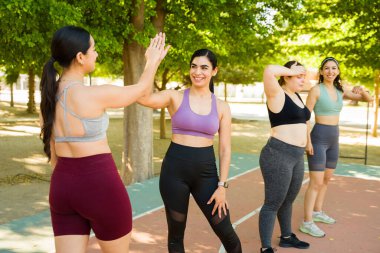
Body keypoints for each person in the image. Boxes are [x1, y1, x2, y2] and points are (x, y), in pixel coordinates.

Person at [39, 25, 169, 253]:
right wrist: (153, 60)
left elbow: (52, 151)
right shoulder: (93, 94)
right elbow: (141, 90)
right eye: (94, 49)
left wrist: (69, 182)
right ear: (80, 57)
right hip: (100, 187)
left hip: (62, 187)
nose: (97, 54)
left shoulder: (48, 97)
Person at [137, 49, 242, 253]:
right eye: (194, 66)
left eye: (204, 67)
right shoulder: (174, 97)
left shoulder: (221, 107)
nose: (197, 72)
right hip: (174, 173)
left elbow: (225, 148)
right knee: (176, 236)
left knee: (226, 232)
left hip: (207, 176)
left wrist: (222, 186)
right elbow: (143, 97)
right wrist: (152, 62)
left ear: (214, 71)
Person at [300, 57, 373, 237]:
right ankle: (307, 222)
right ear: (321, 72)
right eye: (327, 68)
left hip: (334, 139)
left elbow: (368, 99)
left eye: (334, 68)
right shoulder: (316, 90)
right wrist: (307, 142)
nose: (330, 71)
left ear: (338, 72)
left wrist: (361, 89)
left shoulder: (341, 91)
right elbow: (304, 118)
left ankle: (317, 212)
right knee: (315, 182)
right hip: (318, 139)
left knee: (326, 180)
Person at [259, 61, 311, 253]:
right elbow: (268, 70)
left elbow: (303, 122)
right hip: (278, 154)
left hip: (297, 156)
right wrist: (292, 70)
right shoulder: (277, 93)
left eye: (303, 76)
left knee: (288, 200)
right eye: (298, 76)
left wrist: (308, 142)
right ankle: (265, 248)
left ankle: (287, 237)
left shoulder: (296, 95)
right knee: (273, 203)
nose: (303, 79)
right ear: (286, 76)